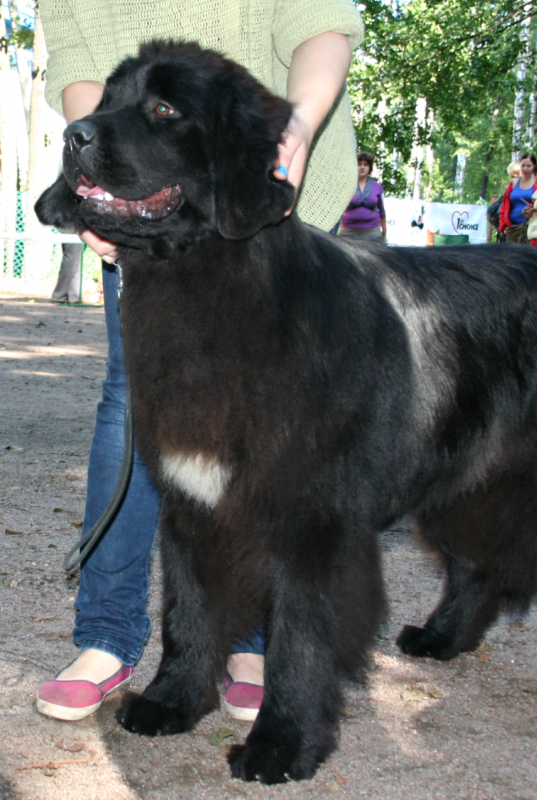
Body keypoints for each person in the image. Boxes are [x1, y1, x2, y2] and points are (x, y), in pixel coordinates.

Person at [35, 0, 364, 724]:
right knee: (134, 398)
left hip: (272, 174)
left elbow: (319, 28)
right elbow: (86, 80)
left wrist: (299, 124)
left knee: (267, 424)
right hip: (154, 199)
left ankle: (248, 638)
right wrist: (100, 182)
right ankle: (109, 634)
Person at [338, 152, 387, 239]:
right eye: (359, 164)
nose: (362, 167)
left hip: (372, 232)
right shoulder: (346, 185)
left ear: (370, 167)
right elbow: (339, 210)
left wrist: (384, 231)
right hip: (348, 231)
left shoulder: (377, 187)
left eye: (365, 164)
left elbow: (382, 212)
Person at [498, 153, 537, 244]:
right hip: (512, 229)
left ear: (534, 167)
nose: (525, 169)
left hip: (530, 228)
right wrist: (503, 225)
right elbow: (504, 206)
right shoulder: (513, 184)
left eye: (528, 166)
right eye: (523, 165)